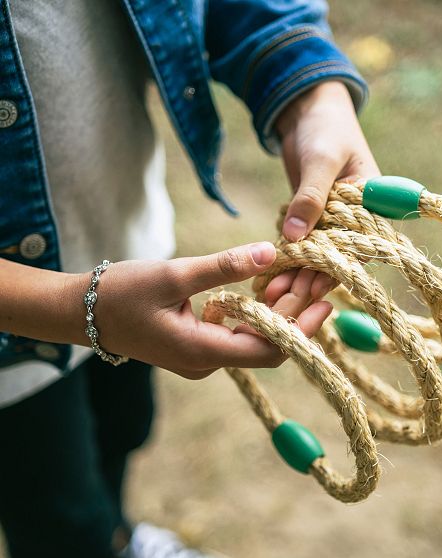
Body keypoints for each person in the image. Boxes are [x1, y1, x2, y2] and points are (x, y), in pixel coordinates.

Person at [0, 0, 380, 557]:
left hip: (124, 247)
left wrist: (312, 94)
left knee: (122, 428)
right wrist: (74, 306)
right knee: (55, 503)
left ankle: (118, 539)